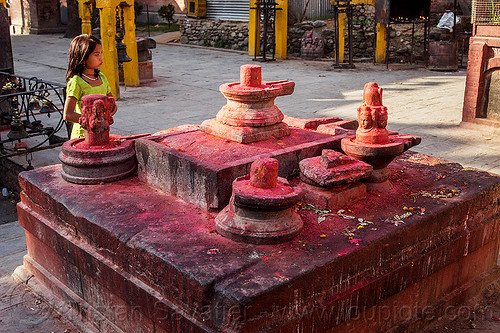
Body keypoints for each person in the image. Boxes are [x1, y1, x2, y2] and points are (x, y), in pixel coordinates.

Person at [63, 34, 116, 139]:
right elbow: (68, 114)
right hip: (82, 135)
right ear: (83, 58)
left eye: (101, 53)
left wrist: (107, 115)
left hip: (101, 133)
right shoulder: (77, 82)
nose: (101, 58)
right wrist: (91, 121)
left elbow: (112, 104)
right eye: (96, 54)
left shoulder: (102, 77)